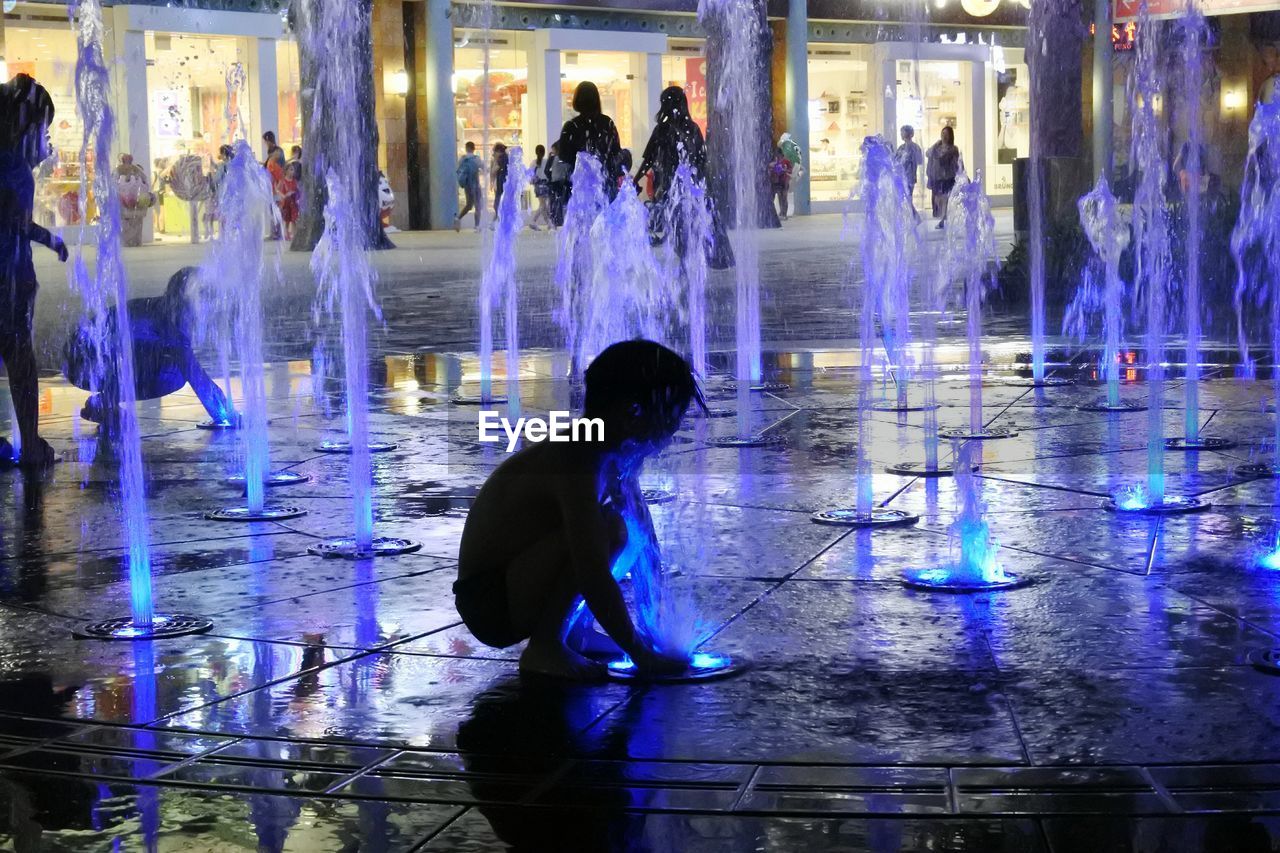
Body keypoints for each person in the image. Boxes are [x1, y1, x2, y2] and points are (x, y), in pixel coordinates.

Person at [455, 339, 705, 680]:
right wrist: (639, 653)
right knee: (608, 531)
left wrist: (656, 628)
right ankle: (546, 645)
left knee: (627, 530)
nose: (676, 430)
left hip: (517, 584)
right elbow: (590, 570)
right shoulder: (577, 458)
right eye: (673, 416)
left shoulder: (615, 458)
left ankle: (571, 634)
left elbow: (646, 543)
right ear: (633, 413)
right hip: (490, 603)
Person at [63, 267, 232, 428]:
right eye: (205, 295)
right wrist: (225, 415)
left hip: (82, 360)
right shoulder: (171, 321)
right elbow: (195, 375)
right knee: (174, 375)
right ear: (185, 298)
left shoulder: (161, 309)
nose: (211, 303)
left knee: (170, 368)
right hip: (84, 365)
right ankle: (106, 403)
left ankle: (105, 404)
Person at [0, 74, 66, 467]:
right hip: (9, 277)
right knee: (21, 360)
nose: (45, 140)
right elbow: (17, 222)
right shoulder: (16, 170)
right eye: (43, 128)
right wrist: (52, 240)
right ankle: (31, 444)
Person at [555, 81, 622, 201]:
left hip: (580, 186)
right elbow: (616, 152)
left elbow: (564, 156)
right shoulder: (607, 123)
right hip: (605, 183)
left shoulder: (571, 126)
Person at [925, 125, 961, 230]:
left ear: (950, 136)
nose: (944, 136)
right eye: (943, 133)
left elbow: (950, 161)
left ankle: (943, 220)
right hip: (937, 178)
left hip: (948, 178)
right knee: (937, 200)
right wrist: (935, 144)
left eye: (946, 134)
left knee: (946, 200)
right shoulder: (937, 147)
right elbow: (928, 153)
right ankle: (943, 219)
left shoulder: (953, 149)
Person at [894, 125, 925, 217]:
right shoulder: (902, 148)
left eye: (902, 132)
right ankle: (912, 217)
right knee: (905, 198)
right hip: (903, 177)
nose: (901, 134)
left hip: (909, 177)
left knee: (907, 198)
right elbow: (895, 161)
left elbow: (919, 161)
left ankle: (914, 216)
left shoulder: (913, 147)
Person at [454, 141, 482, 232]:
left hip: (467, 186)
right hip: (476, 185)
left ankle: (458, 218)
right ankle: (477, 226)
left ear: (466, 148)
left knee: (469, 205)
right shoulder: (476, 159)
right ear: (474, 149)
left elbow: (458, 171)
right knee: (478, 205)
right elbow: (484, 167)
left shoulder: (462, 159)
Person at [529, 144, 552, 230]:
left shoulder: (533, 163)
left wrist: (532, 181)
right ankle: (534, 221)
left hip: (537, 185)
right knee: (544, 205)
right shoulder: (546, 161)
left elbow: (531, 175)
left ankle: (548, 223)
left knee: (543, 205)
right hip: (546, 184)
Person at [278, 159, 301, 240]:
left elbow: (297, 190)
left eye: (293, 170)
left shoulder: (294, 181)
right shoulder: (283, 181)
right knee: (287, 219)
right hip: (286, 203)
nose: (292, 171)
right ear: (286, 171)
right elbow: (277, 190)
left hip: (293, 202)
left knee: (294, 218)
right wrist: (283, 195)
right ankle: (287, 233)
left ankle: (295, 234)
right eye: (291, 169)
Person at [769, 146, 793, 220]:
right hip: (775, 181)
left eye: (776, 153)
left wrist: (785, 170)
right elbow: (769, 169)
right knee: (778, 197)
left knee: (783, 198)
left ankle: (784, 213)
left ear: (780, 153)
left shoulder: (786, 161)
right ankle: (779, 213)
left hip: (784, 182)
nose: (775, 155)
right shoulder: (773, 161)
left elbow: (790, 170)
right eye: (774, 153)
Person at [491, 142, 509, 217]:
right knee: (499, 204)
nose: (493, 154)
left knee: (497, 205)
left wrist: (495, 160)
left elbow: (493, 171)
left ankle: (498, 221)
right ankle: (496, 221)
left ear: (498, 151)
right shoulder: (505, 157)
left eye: (494, 152)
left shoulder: (502, 158)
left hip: (502, 184)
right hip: (502, 183)